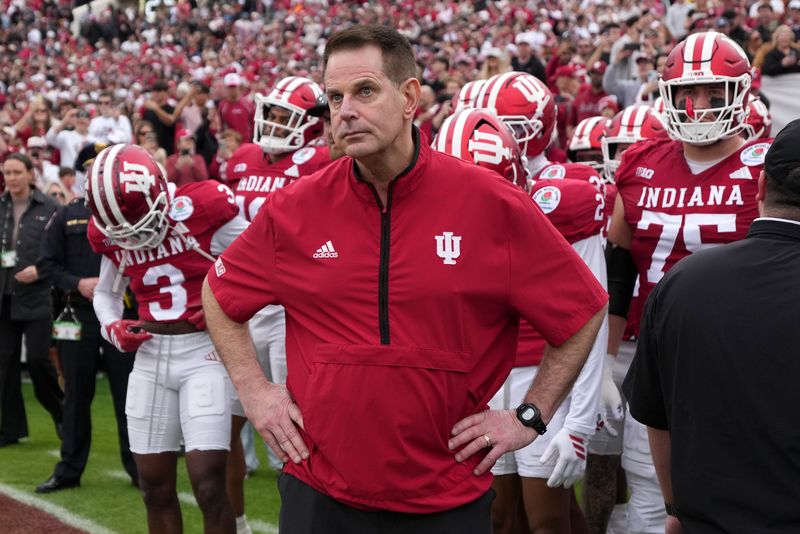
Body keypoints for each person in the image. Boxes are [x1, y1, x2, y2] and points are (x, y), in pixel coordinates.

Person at [202, 24, 608, 534]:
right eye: (334, 96)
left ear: (410, 96)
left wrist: (529, 415)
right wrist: (255, 391)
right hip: (319, 489)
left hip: (446, 497)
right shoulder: (295, 208)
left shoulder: (491, 202)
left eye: (365, 91)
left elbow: (583, 308)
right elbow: (217, 295)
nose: (345, 110)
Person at [606, 31, 771, 534]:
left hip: (743, 355)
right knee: (651, 498)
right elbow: (618, 267)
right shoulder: (640, 163)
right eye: (687, 94)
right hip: (660, 356)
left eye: (714, 94)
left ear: (741, 93)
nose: (698, 107)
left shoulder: (764, 167)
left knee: (742, 494)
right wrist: (605, 365)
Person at [622, 118, 800, 533]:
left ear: (758, 190)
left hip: (709, 519)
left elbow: (657, 415)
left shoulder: (682, 280)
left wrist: (675, 505)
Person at [473, 75, 612, 534]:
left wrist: (579, 421)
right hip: (486, 371)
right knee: (498, 515)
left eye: (506, 125)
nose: (494, 138)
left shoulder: (566, 189)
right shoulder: (459, 188)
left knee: (547, 518)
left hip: (544, 374)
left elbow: (589, 308)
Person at [86, 144, 247, 533]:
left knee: (208, 483)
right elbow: (106, 293)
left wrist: (221, 301)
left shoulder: (204, 205)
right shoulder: (110, 229)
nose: (133, 236)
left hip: (205, 350)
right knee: (154, 487)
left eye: (138, 221)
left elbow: (258, 262)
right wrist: (112, 328)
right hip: (151, 355)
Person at [35, 144, 137, 492]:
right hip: (77, 315)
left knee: (129, 396)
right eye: (91, 169)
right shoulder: (65, 215)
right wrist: (78, 282)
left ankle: (140, 469)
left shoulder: (131, 213)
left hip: (123, 316)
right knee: (76, 396)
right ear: (83, 175)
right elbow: (46, 265)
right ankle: (69, 470)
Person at [0, 153, 63, 447]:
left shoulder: (49, 207)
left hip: (36, 294)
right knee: (5, 363)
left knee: (38, 359)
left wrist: (40, 270)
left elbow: (62, 249)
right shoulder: (1, 206)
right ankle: (10, 429)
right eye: (7, 172)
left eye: (16, 172)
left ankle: (63, 416)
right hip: (4, 296)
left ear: (29, 174)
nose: (11, 178)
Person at [218, 73, 255, 144]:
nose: (232, 90)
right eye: (230, 87)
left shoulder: (248, 105)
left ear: (239, 87)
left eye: (234, 87)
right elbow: (221, 126)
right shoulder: (222, 106)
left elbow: (253, 124)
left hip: (246, 143)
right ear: (225, 88)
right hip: (230, 144)